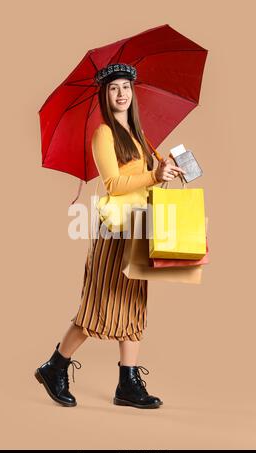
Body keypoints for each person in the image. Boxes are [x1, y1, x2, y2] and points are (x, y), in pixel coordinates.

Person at [35, 63, 186, 409]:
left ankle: (127, 383)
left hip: (141, 225)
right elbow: (114, 185)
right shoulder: (103, 134)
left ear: (133, 93)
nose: (121, 93)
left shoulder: (139, 135)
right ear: (105, 95)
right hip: (116, 228)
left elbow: (144, 180)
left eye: (126, 87)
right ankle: (54, 366)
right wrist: (151, 177)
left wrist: (162, 172)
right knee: (99, 305)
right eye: (114, 88)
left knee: (134, 303)